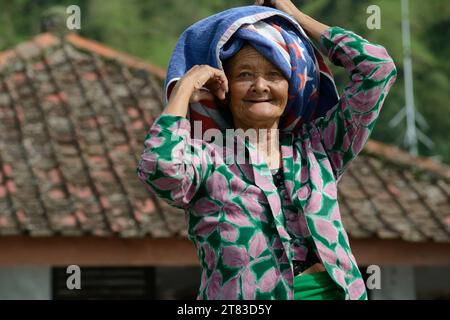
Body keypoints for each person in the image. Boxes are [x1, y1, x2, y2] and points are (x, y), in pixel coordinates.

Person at [137, 0, 397, 300]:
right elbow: (160, 169)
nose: (260, 86)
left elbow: (376, 70)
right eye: (244, 75)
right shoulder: (206, 160)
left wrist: (294, 15)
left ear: (292, 87)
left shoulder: (317, 147)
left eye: (274, 75)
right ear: (225, 89)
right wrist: (184, 88)